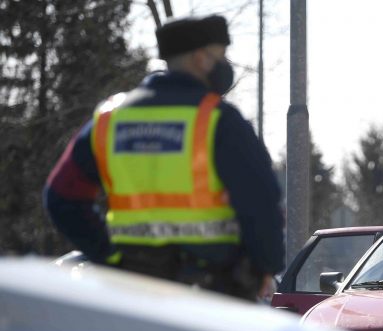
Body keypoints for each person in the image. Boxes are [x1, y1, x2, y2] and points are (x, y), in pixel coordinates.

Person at [44, 15, 284, 300]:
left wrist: (108, 255)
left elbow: (61, 198)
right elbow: (261, 203)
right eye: (221, 55)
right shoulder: (219, 121)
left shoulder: (110, 120)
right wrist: (264, 266)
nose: (225, 65)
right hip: (212, 298)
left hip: (132, 297)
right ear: (200, 58)